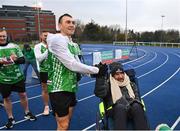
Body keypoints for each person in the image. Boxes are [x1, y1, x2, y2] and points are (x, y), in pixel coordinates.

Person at [46, 13, 99, 130]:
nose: (71, 25)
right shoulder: (57, 40)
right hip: (58, 88)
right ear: (59, 26)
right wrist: (96, 70)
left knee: (66, 122)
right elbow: (72, 64)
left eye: (73, 22)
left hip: (71, 86)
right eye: (67, 22)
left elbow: (77, 64)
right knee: (63, 125)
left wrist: (91, 73)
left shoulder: (73, 44)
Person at [94, 62, 149, 130]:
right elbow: (100, 93)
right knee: (120, 107)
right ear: (112, 75)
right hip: (115, 109)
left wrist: (133, 104)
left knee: (137, 105)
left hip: (131, 107)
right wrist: (100, 77)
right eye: (117, 74)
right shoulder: (108, 85)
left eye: (121, 73)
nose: (120, 76)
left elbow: (137, 97)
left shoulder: (131, 84)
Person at [0, 28, 36, 129]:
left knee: (23, 95)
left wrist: (15, 59)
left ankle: (27, 112)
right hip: (3, 79)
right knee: (6, 98)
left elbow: (23, 60)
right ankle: (10, 118)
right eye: (0, 36)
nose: (2, 38)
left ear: (6, 36)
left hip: (17, 77)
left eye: (4, 36)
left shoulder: (14, 46)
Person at [34, 31, 50, 115]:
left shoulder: (53, 45)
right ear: (41, 36)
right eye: (45, 35)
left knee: (56, 88)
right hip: (44, 71)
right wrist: (48, 50)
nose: (46, 37)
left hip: (54, 70)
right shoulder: (38, 46)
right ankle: (46, 106)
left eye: (48, 36)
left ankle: (56, 105)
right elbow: (39, 59)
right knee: (45, 89)